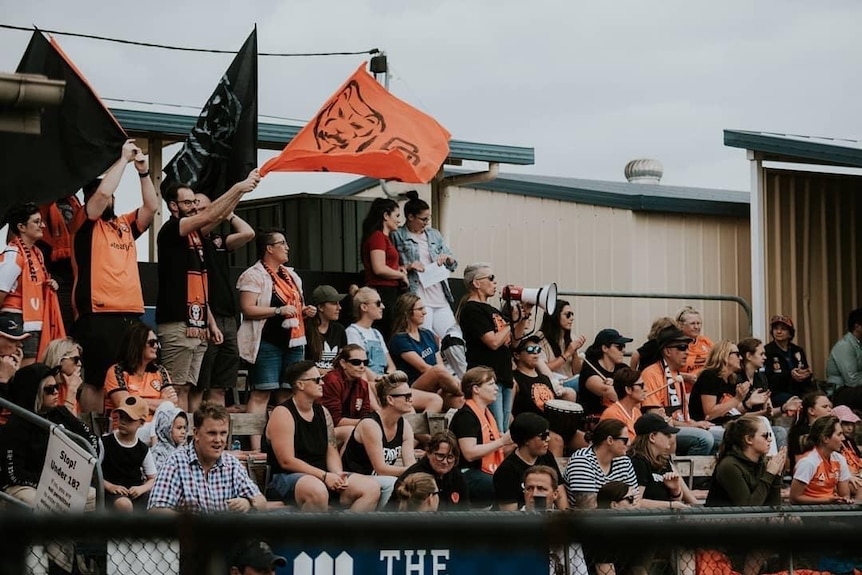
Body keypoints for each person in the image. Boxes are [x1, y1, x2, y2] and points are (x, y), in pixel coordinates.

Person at [71, 140, 159, 414]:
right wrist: (122, 161)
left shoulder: (123, 224)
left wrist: (143, 172)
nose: (110, 198)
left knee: (128, 376)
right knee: (96, 379)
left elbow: (151, 207)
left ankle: (121, 431)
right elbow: (100, 197)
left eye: (112, 196)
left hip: (131, 313)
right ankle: (90, 435)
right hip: (98, 314)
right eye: (105, 194)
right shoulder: (85, 223)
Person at [157, 177, 259, 412]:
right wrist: (236, 187)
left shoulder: (197, 238)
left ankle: (190, 439)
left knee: (192, 387)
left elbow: (218, 215)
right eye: (187, 203)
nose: (193, 207)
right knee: (178, 387)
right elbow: (210, 215)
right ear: (173, 206)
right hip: (177, 322)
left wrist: (210, 323)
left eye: (195, 202)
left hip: (199, 322)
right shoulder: (173, 228)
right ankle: (177, 440)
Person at [263, 361, 380, 511]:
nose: (323, 383)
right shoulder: (283, 413)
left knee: (371, 488)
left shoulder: (323, 412)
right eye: (317, 380)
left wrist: (337, 473)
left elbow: (331, 450)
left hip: (321, 474)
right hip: (287, 476)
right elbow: (287, 461)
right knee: (317, 491)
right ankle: (313, 534)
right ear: (300, 385)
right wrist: (324, 476)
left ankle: (345, 531)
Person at [237, 229, 316, 451]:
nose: (287, 247)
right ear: (269, 248)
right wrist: (278, 310)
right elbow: (247, 309)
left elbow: (296, 305)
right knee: (262, 392)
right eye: (282, 243)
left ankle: (284, 446)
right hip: (266, 341)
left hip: (293, 341)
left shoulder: (292, 275)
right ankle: (255, 448)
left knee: (287, 393)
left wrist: (305, 310)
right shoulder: (253, 274)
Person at [0, 363, 98, 508]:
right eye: (49, 389)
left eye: (56, 387)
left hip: (59, 481)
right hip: (25, 485)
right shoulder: (16, 425)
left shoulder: (61, 413)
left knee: (90, 494)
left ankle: (81, 531)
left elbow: (89, 439)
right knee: (34, 500)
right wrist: (48, 483)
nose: (56, 392)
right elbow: (14, 473)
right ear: (34, 392)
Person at [148, 402, 267, 513]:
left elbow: (262, 502)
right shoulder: (175, 462)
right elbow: (156, 510)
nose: (218, 440)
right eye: (212, 433)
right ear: (196, 433)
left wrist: (248, 503)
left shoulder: (232, 465)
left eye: (223, 433)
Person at [194, 192, 256, 407]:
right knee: (202, 384)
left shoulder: (218, 239)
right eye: (198, 209)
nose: (203, 213)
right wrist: (218, 211)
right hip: (205, 316)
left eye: (205, 208)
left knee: (222, 385)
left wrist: (229, 214)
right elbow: (207, 221)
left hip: (228, 317)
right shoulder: (193, 236)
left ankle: (220, 433)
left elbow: (248, 233)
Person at [458, 263, 533, 431]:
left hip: (503, 375)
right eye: (490, 278)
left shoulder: (493, 310)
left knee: (504, 430)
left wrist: (522, 317)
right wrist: (511, 322)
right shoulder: (471, 309)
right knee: (496, 429)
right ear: (476, 283)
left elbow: (514, 342)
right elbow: (493, 342)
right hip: (487, 378)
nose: (495, 282)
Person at [341, 372, 417, 508]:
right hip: (351, 480)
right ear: (390, 400)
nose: (410, 400)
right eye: (406, 396)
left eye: (410, 395)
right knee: (392, 483)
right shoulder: (371, 424)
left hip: (377, 480)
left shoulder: (404, 426)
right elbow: (380, 468)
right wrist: (410, 471)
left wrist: (415, 474)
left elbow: (410, 463)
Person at [0, 202, 63, 365]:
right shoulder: (13, 255)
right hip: (15, 320)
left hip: (34, 319)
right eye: (36, 222)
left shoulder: (38, 253)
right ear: (21, 227)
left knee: (34, 372)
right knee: (24, 375)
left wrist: (50, 286)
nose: (42, 225)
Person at [390, 190, 458, 339]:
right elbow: (389, 265)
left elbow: (453, 262)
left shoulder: (434, 234)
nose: (426, 223)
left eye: (428, 219)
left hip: (440, 294)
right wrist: (409, 266)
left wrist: (448, 259)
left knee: (453, 338)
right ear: (410, 217)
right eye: (423, 219)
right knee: (423, 338)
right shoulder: (397, 235)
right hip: (417, 295)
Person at [641, 325, 718, 456]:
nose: (687, 352)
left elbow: (682, 416)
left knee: (727, 437)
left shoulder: (677, 375)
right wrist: (691, 426)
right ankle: (687, 474)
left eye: (687, 347)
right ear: (667, 351)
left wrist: (695, 423)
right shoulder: (651, 373)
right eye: (682, 348)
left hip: (680, 426)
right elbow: (655, 418)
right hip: (661, 431)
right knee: (704, 439)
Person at [449, 366, 516, 505]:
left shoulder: (486, 414)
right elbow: (469, 453)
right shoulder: (466, 416)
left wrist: (515, 442)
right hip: (466, 473)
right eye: (491, 384)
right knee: (503, 485)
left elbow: (495, 449)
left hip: (482, 472)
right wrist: (502, 441)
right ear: (476, 389)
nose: (496, 388)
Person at [389, 293, 464, 410]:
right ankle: (466, 390)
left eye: (423, 308)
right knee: (439, 371)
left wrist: (444, 383)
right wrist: (448, 380)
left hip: (437, 382)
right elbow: (423, 368)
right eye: (420, 309)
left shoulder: (427, 334)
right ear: (407, 313)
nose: (424, 312)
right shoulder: (400, 339)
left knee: (460, 401)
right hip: (413, 386)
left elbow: (439, 363)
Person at [512, 334, 577, 456]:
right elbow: (509, 412)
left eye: (538, 350)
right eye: (530, 350)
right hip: (533, 430)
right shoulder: (515, 379)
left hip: (553, 425)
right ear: (517, 355)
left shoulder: (544, 378)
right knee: (556, 441)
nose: (536, 353)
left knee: (589, 440)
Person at [104, 322, 177, 425]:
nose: (156, 346)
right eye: (151, 343)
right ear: (137, 345)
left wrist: (137, 400)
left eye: (157, 342)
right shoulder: (117, 371)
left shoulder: (160, 370)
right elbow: (126, 405)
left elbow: (172, 404)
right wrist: (162, 403)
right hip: (128, 428)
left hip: (157, 427)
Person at [706, 415, 785, 507]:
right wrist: (769, 475)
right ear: (748, 439)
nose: (770, 439)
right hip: (719, 519)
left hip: (749, 520)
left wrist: (776, 476)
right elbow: (748, 508)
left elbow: (773, 508)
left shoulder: (762, 463)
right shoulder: (729, 465)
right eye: (765, 436)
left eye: (770, 435)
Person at [493, 412, 567, 511]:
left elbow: (560, 495)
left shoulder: (547, 456)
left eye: (548, 434)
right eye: (543, 436)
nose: (548, 439)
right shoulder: (506, 471)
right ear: (526, 440)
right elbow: (510, 515)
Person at [360, 197, 408, 340]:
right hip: (381, 291)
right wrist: (400, 276)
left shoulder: (385, 238)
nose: (399, 220)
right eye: (397, 216)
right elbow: (379, 268)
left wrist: (400, 269)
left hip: (389, 292)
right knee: (385, 333)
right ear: (386, 216)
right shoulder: (378, 237)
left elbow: (386, 265)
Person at [689, 341, 769, 425]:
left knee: (765, 423)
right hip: (707, 425)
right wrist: (737, 399)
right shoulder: (709, 376)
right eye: (737, 354)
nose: (741, 358)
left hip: (727, 424)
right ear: (725, 356)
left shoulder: (732, 379)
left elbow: (737, 412)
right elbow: (710, 414)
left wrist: (751, 405)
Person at [564, 418, 638, 509]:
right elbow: (588, 508)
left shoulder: (624, 461)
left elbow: (635, 500)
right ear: (610, 440)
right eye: (625, 440)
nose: (629, 443)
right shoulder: (582, 461)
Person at [628, 413, 697, 508]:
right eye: (666, 434)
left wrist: (675, 490)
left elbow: (677, 500)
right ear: (652, 437)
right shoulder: (638, 461)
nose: (670, 438)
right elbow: (635, 503)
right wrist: (671, 505)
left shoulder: (663, 460)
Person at [100, 396, 157, 512]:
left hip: (135, 491)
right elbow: (93, 472)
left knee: (156, 505)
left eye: (129, 419)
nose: (123, 422)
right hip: (112, 492)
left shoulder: (142, 449)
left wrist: (141, 489)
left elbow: (153, 479)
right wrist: (110, 486)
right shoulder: (105, 442)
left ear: (141, 423)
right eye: (121, 417)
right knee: (124, 505)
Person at [37, 195, 84, 333]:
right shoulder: (42, 203)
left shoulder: (74, 202)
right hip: (54, 276)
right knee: (60, 327)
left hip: (77, 276)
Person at [394, 430, 470, 510]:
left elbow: (465, 510)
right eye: (440, 456)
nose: (445, 462)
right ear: (429, 453)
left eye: (450, 457)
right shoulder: (414, 477)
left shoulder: (458, 477)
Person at [790, 415, 854, 504]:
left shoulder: (840, 460)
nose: (843, 438)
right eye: (839, 434)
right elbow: (794, 498)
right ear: (825, 439)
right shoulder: (808, 462)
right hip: (807, 513)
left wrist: (844, 500)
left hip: (831, 510)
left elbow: (845, 495)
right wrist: (826, 501)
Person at [320, 344, 377, 445]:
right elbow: (334, 421)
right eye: (356, 362)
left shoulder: (363, 385)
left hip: (351, 429)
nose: (362, 366)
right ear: (343, 363)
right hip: (324, 431)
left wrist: (368, 422)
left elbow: (365, 413)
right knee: (355, 431)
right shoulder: (332, 381)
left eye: (365, 362)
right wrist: (368, 423)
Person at [346, 287, 397, 380]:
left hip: (384, 381)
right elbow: (359, 366)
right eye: (378, 303)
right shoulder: (352, 332)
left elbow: (391, 365)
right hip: (367, 383)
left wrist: (388, 377)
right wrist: (379, 380)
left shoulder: (376, 333)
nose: (382, 306)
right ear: (364, 307)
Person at [579, 329, 632, 417]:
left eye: (624, 346)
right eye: (619, 347)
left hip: (621, 416)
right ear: (605, 348)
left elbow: (636, 386)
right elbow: (608, 391)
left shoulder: (623, 368)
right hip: (597, 420)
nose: (623, 351)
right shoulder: (590, 369)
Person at [764, 315, 814, 405]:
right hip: (778, 392)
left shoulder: (797, 350)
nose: (779, 332)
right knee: (799, 403)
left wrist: (806, 374)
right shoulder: (767, 351)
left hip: (800, 390)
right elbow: (769, 379)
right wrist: (790, 375)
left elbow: (805, 372)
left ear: (790, 333)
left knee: (818, 400)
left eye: (783, 329)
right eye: (776, 328)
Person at [538, 299, 586, 392]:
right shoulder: (540, 338)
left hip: (570, 381)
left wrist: (575, 353)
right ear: (555, 316)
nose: (571, 318)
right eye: (567, 315)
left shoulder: (572, 337)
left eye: (572, 314)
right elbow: (543, 368)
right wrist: (567, 354)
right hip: (553, 384)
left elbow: (576, 371)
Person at [304, 285, 348, 373]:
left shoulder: (339, 330)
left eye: (339, 303)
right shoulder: (306, 330)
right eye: (334, 303)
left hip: (333, 380)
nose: (339, 308)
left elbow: (343, 360)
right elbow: (303, 365)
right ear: (320, 307)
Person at [826, 308, 862, 410]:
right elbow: (852, 380)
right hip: (839, 391)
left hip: (852, 389)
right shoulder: (845, 345)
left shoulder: (858, 344)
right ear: (857, 326)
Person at [788, 391, 832, 470]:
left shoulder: (832, 430)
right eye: (825, 407)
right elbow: (799, 461)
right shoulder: (799, 432)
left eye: (830, 407)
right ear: (811, 411)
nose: (829, 410)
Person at [38, 337, 84, 413]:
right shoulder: (45, 386)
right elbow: (61, 423)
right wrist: (71, 392)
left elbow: (74, 422)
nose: (79, 364)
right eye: (76, 359)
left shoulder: (65, 386)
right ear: (60, 360)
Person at [600, 367, 645, 441]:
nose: (645, 389)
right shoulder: (611, 414)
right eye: (641, 385)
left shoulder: (637, 412)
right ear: (628, 389)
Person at [676, 306, 714, 392]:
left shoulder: (706, 342)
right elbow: (665, 372)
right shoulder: (675, 345)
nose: (696, 327)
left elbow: (717, 362)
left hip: (706, 391)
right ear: (681, 325)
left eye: (699, 323)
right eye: (692, 324)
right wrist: (685, 377)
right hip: (685, 392)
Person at [147, 401, 189, 473]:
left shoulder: (185, 450)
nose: (183, 432)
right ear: (167, 429)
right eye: (179, 428)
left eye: (184, 428)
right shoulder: (157, 453)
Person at [832, 405, 862, 492]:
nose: (850, 428)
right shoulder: (833, 443)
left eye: (852, 424)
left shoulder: (850, 442)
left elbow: (858, 459)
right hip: (842, 477)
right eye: (846, 424)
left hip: (857, 474)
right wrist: (848, 475)